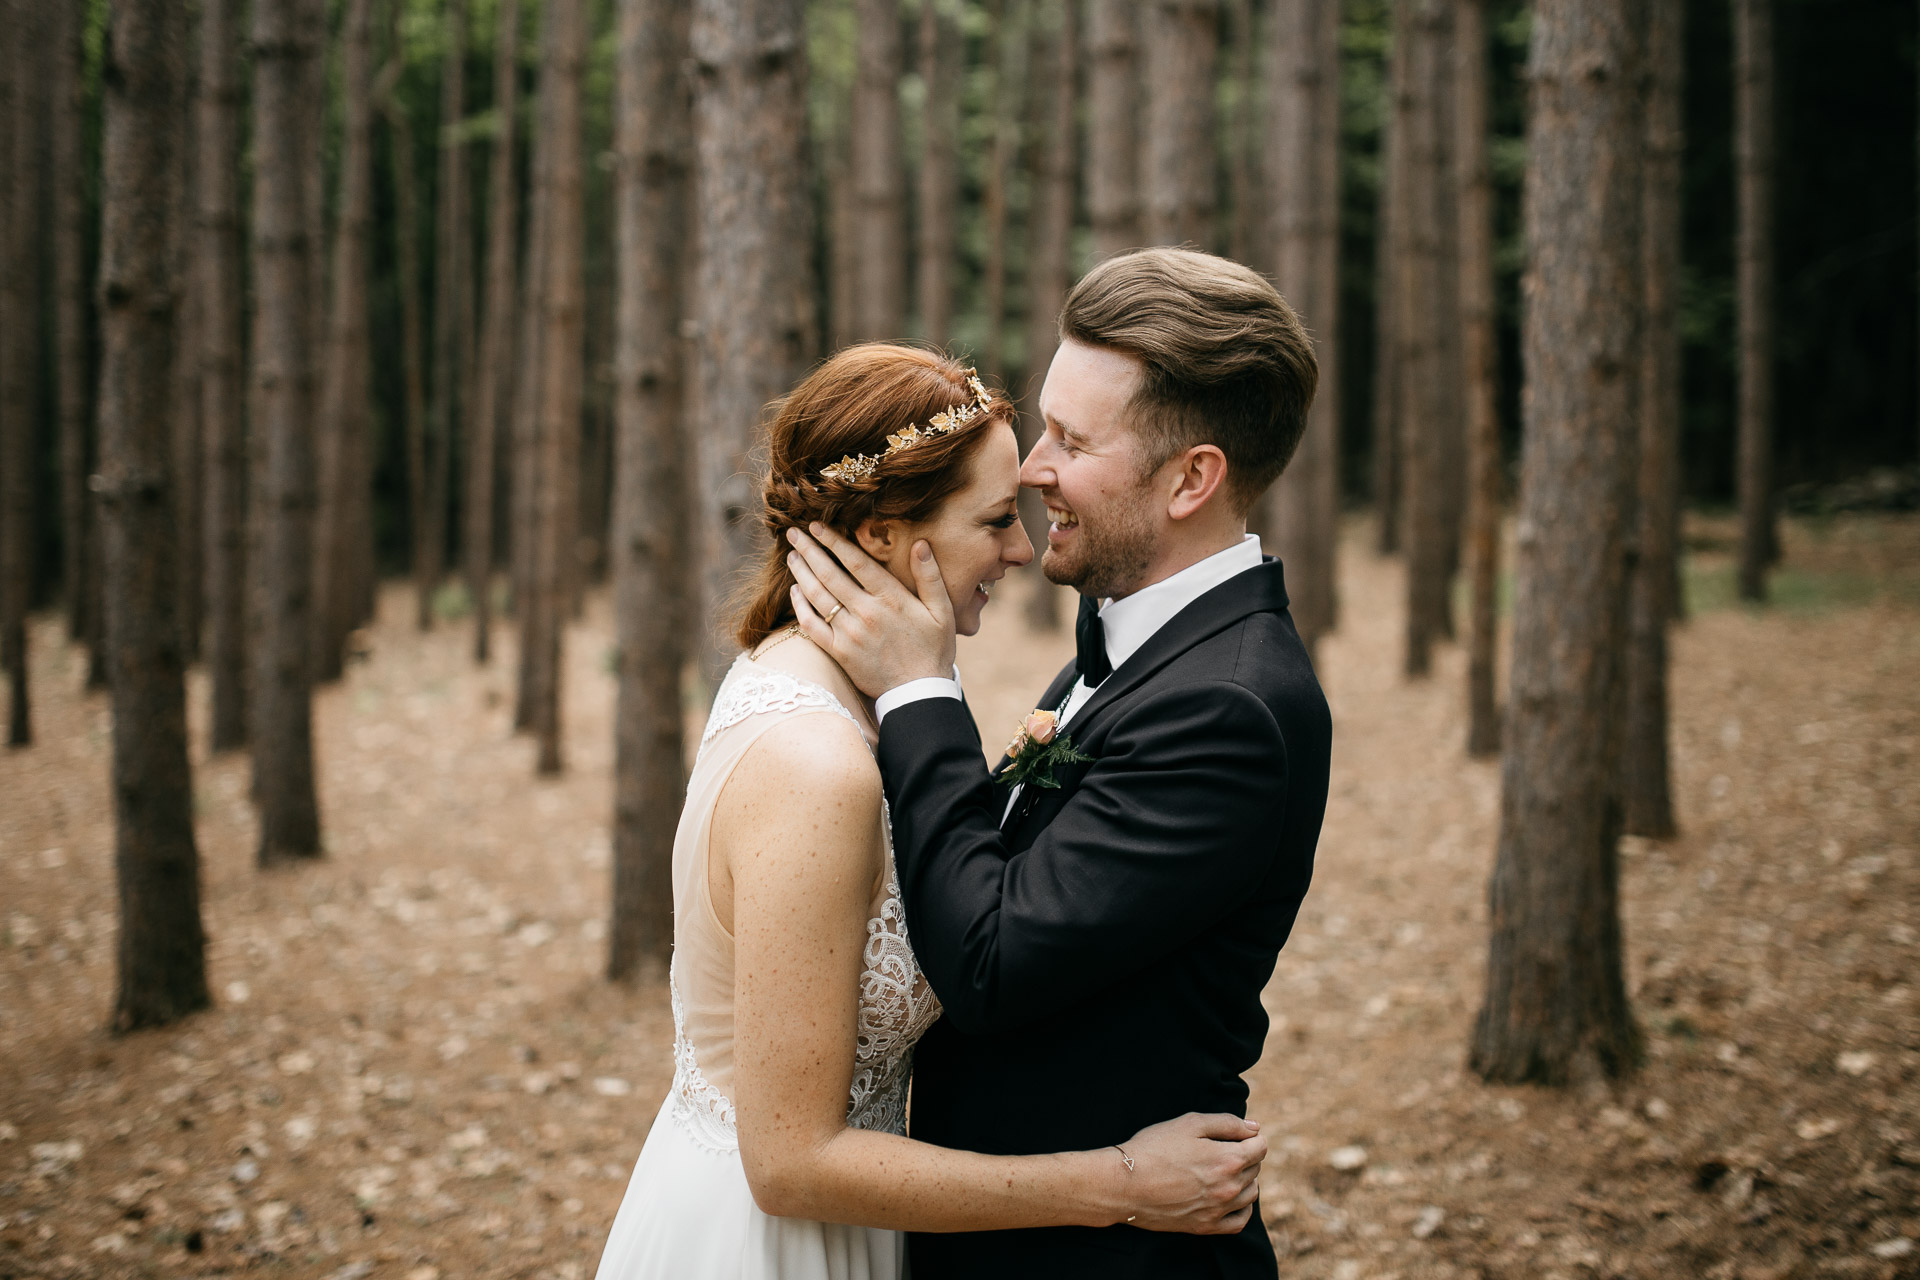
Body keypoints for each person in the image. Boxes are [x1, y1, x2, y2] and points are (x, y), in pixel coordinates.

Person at [591, 342, 1268, 1280]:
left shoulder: (820, 687)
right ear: (880, 533)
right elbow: (790, 1164)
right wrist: (1119, 1183)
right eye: (995, 520)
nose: (1024, 548)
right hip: (770, 1245)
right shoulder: (818, 766)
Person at [784, 247, 1333, 1279]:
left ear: (1192, 479)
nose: (1033, 468)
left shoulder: (1231, 706)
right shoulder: (1138, 641)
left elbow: (990, 959)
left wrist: (918, 688)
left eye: (1074, 440)